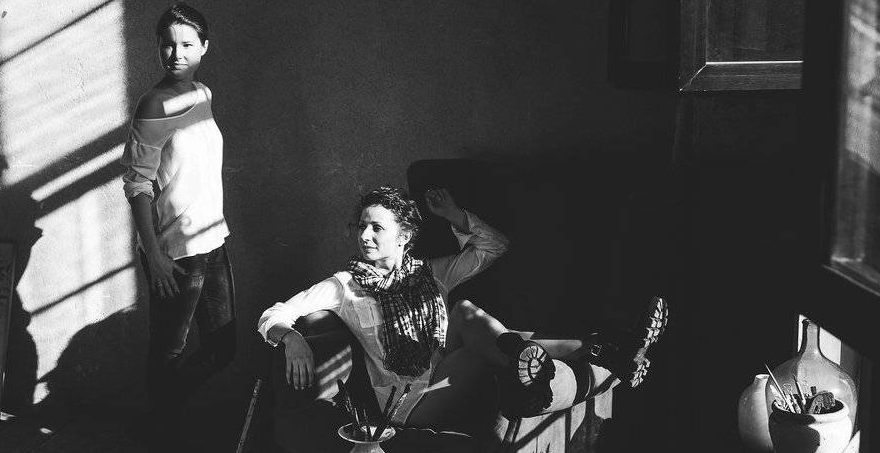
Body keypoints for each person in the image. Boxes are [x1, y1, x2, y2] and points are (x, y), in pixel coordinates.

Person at [257, 183, 667, 428]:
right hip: (409, 400)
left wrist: (454, 215)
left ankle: (606, 350)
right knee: (483, 350)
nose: (364, 235)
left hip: (442, 365)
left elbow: (494, 247)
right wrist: (292, 338)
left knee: (466, 312)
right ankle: (602, 349)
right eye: (361, 226)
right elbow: (273, 314)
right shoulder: (344, 286)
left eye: (376, 228)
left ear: (404, 237)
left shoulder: (432, 273)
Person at [122, 3, 236, 441]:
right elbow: (138, 184)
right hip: (174, 251)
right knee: (168, 350)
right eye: (168, 45)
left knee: (223, 347)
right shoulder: (153, 104)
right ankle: (162, 436)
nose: (176, 53)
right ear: (158, 48)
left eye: (187, 44)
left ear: (204, 47)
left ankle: (159, 421)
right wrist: (154, 255)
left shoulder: (203, 94)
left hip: (212, 240)